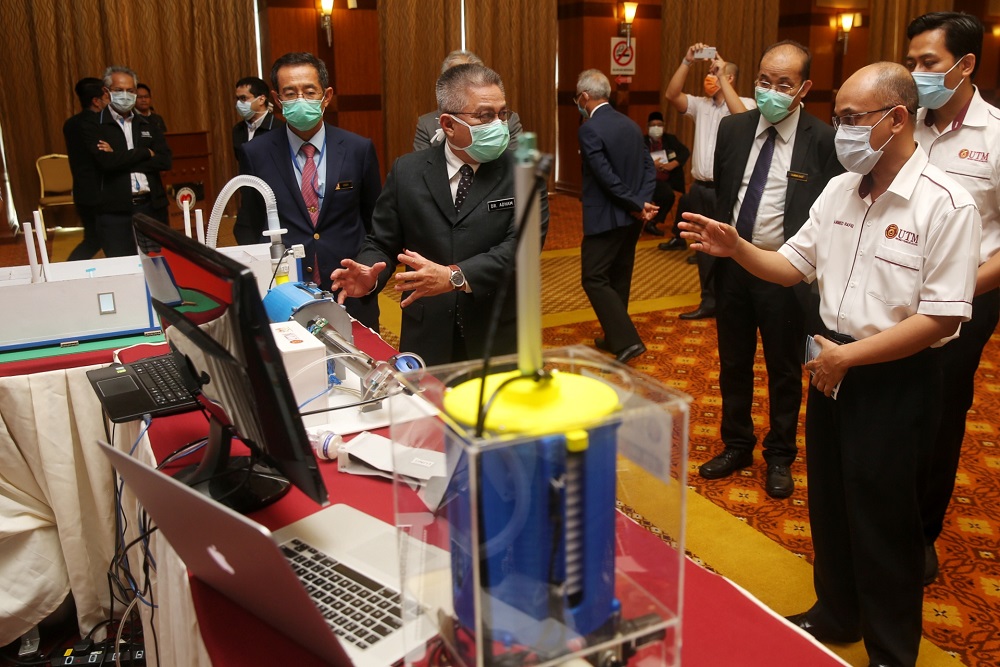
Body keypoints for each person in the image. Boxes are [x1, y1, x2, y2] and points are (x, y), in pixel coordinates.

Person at [680, 62, 980, 667]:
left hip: (893, 376)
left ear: (897, 119)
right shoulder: (841, 189)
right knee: (833, 506)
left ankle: (891, 652)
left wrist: (848, 357)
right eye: (838, 117)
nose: (839, 130)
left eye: (850, 119)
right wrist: (739, 248)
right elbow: (791, 265)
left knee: (885, 523)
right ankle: (836, 613)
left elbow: (942, 319)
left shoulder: (947, 203)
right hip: (832, 367)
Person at [697, 40, 842, 500]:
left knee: (783, 368)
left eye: (784, 84)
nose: (771, 91)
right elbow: (727, 194)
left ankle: (780, 454)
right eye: (764, 81)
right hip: (734, 267)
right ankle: (737, 444)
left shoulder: (823, 140)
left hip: (786, 272)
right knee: (733, 363)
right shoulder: (733, 129)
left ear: (804, 89)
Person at [331, 63, 548, 366]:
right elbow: (382, 241)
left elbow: (521, 248)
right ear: (448, 124)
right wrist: (369, 273)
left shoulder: (525, 174)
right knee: (431, 411)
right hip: (427, 332)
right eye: (486, 115)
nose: (500, 125)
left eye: (503, 114)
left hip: (497, 332)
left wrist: (454, 277)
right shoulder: (407, 171)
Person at [905, 11, 1000, 585]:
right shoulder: (900, 122)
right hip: (890, 293)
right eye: (911, 62)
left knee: (938, 418)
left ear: (964, 66)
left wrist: (956, 291)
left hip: (966, 300)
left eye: (928, 63)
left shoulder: (997, 135)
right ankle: (874, 524)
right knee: (885, 406)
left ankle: (920, 535)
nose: (916, 73)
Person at [236, 52, 382, 330]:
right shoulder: (256, 153)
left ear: (326, 96)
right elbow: (249, 224)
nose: (300, 99)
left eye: (309, 91)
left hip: (349, 291)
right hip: (283, 293)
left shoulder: (357, 149)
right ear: (277, 100)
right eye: (290, 93)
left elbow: (375, 222)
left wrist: (365, 272)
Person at [660, 44, 754, 320]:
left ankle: (728, 302)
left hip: (727, 190)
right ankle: (709, 301)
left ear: (729, 77)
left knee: (729, 246)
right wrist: (687, 61)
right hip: (700, 188)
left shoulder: (745, 103)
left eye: (715, 73)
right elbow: (671, 94)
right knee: (702, 247)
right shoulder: (700, 106)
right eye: (710, 73)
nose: (710, 77)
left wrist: (722, 77)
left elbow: (744, 119)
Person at [575, 69, 657, 364]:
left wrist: (636, 203)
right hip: (633, 217)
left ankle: (626, 340)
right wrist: (643, 203)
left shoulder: (589, 128)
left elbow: (605, 177)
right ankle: (613, 337)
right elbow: (649, 167)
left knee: (594, 277)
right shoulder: (631, 124)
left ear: (584, 97)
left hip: (607, 217)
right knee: (619, 275)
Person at [80, 65, 172, 257]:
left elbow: (165, 161)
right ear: (106, 92)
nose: (125, 95)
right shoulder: (93, 125)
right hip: (115, 213)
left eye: (130, 91)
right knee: (122, 269)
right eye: (119, 90)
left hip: (151, 208)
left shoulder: (149, 123)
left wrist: (120, 156)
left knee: (158, 265)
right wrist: (145, 152)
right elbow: (105, 163)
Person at [412, 50, 522, 152]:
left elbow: (517, 163)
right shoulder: (427, 124)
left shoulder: (507, 120)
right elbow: (423, 166)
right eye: (459, 79)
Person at [63, 77, 107, 261]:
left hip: (82, 190)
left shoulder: (70, 123)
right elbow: (103, 158)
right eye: (107, 95)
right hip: (99, 192)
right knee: (97, 240)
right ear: (96, 101)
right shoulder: (97, 124)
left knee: (93, 239)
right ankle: (66, 271)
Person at [643, 111, 690, 241]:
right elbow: (633, 160)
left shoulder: (670, 139)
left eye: (660, 125)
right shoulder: (641, 142)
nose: (657, 128)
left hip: (668, 180)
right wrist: (651, 165)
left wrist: (673, 164)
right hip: (648, 181)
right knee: (667, 195)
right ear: (648, 127)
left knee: (667, 194)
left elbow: (684, 152)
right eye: (653, 125)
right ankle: (651, 222)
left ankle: (653, 221)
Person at [232, 76, 281, 163]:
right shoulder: (238, 129)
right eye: (238, 99)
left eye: (243, 98)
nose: (239, 103)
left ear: (261, 99)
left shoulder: (279, 128)